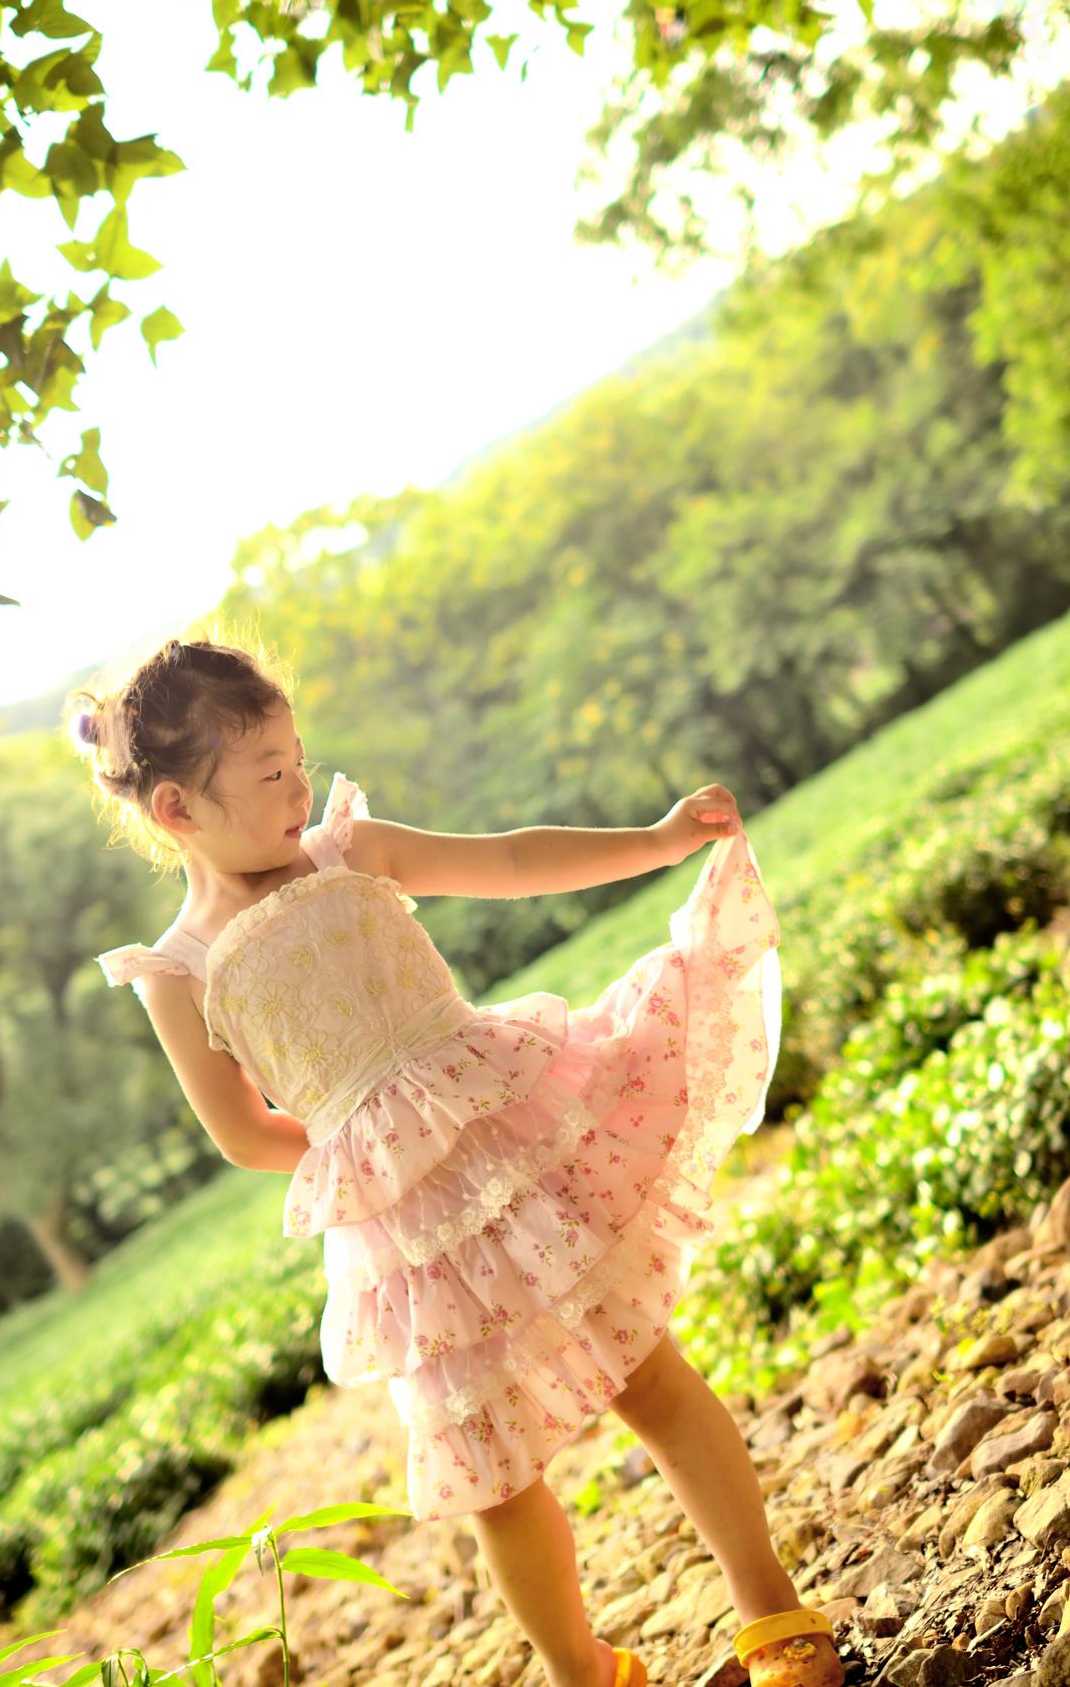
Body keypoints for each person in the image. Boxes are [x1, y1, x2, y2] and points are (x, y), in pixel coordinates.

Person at [75, 632, 844, 1687]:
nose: (298, 786)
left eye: (298, 760)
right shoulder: (177, 971)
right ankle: (585, 1673)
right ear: (176, 809)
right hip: (407, 1232)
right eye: (267, 773)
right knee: (493, 1477)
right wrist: (373, 1157)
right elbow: (241, 1132)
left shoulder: (347, 851)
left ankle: (773, 1613)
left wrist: (658, 841)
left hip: (516, 1136)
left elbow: (512, 859)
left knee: (646, 1375)